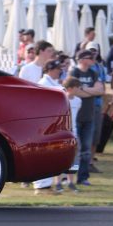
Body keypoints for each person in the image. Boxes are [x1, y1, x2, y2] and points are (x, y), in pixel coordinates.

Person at [70, 49, 106, 186]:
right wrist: (91, 91)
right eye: (90, 57)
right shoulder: (74, 72)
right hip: (76, 117)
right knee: (75, 149)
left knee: (86, 149)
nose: (93, 59)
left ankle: (83, 177)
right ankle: (70, 178)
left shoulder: (93, 73)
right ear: (83, 59)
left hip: (89, 116)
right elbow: (74, 91)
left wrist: (83, 90)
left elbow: (101, 90)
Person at [33, 59, 66, 194]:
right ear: (51, 69)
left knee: (50, 154)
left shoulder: (52, 83)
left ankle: (46, 185)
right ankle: (41, 187)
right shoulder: (43, 84)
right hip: (44, 125)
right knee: (43, 155)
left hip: (52, 124)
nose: (60, 71)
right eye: (58, 68)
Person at [54, 77, 84, 193]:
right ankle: (58, 182)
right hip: (62, 133)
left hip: (74, 133)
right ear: (70, 88)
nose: (79, 90)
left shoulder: (78, 101)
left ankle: (71, 182)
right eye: (77, 88)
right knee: (59, 158)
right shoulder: (61, 99)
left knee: (74, 159)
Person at [85, 41, 107, 172]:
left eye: (95, 50)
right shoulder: (83, 68)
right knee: (85, 135)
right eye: (91, 50)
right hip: (86, 105)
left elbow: (102, 88)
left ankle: (90, 161)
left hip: (97, 104)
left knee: (96, 134)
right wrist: (96, 90)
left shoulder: (100, 67)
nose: (93, 53)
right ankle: (83, 162)